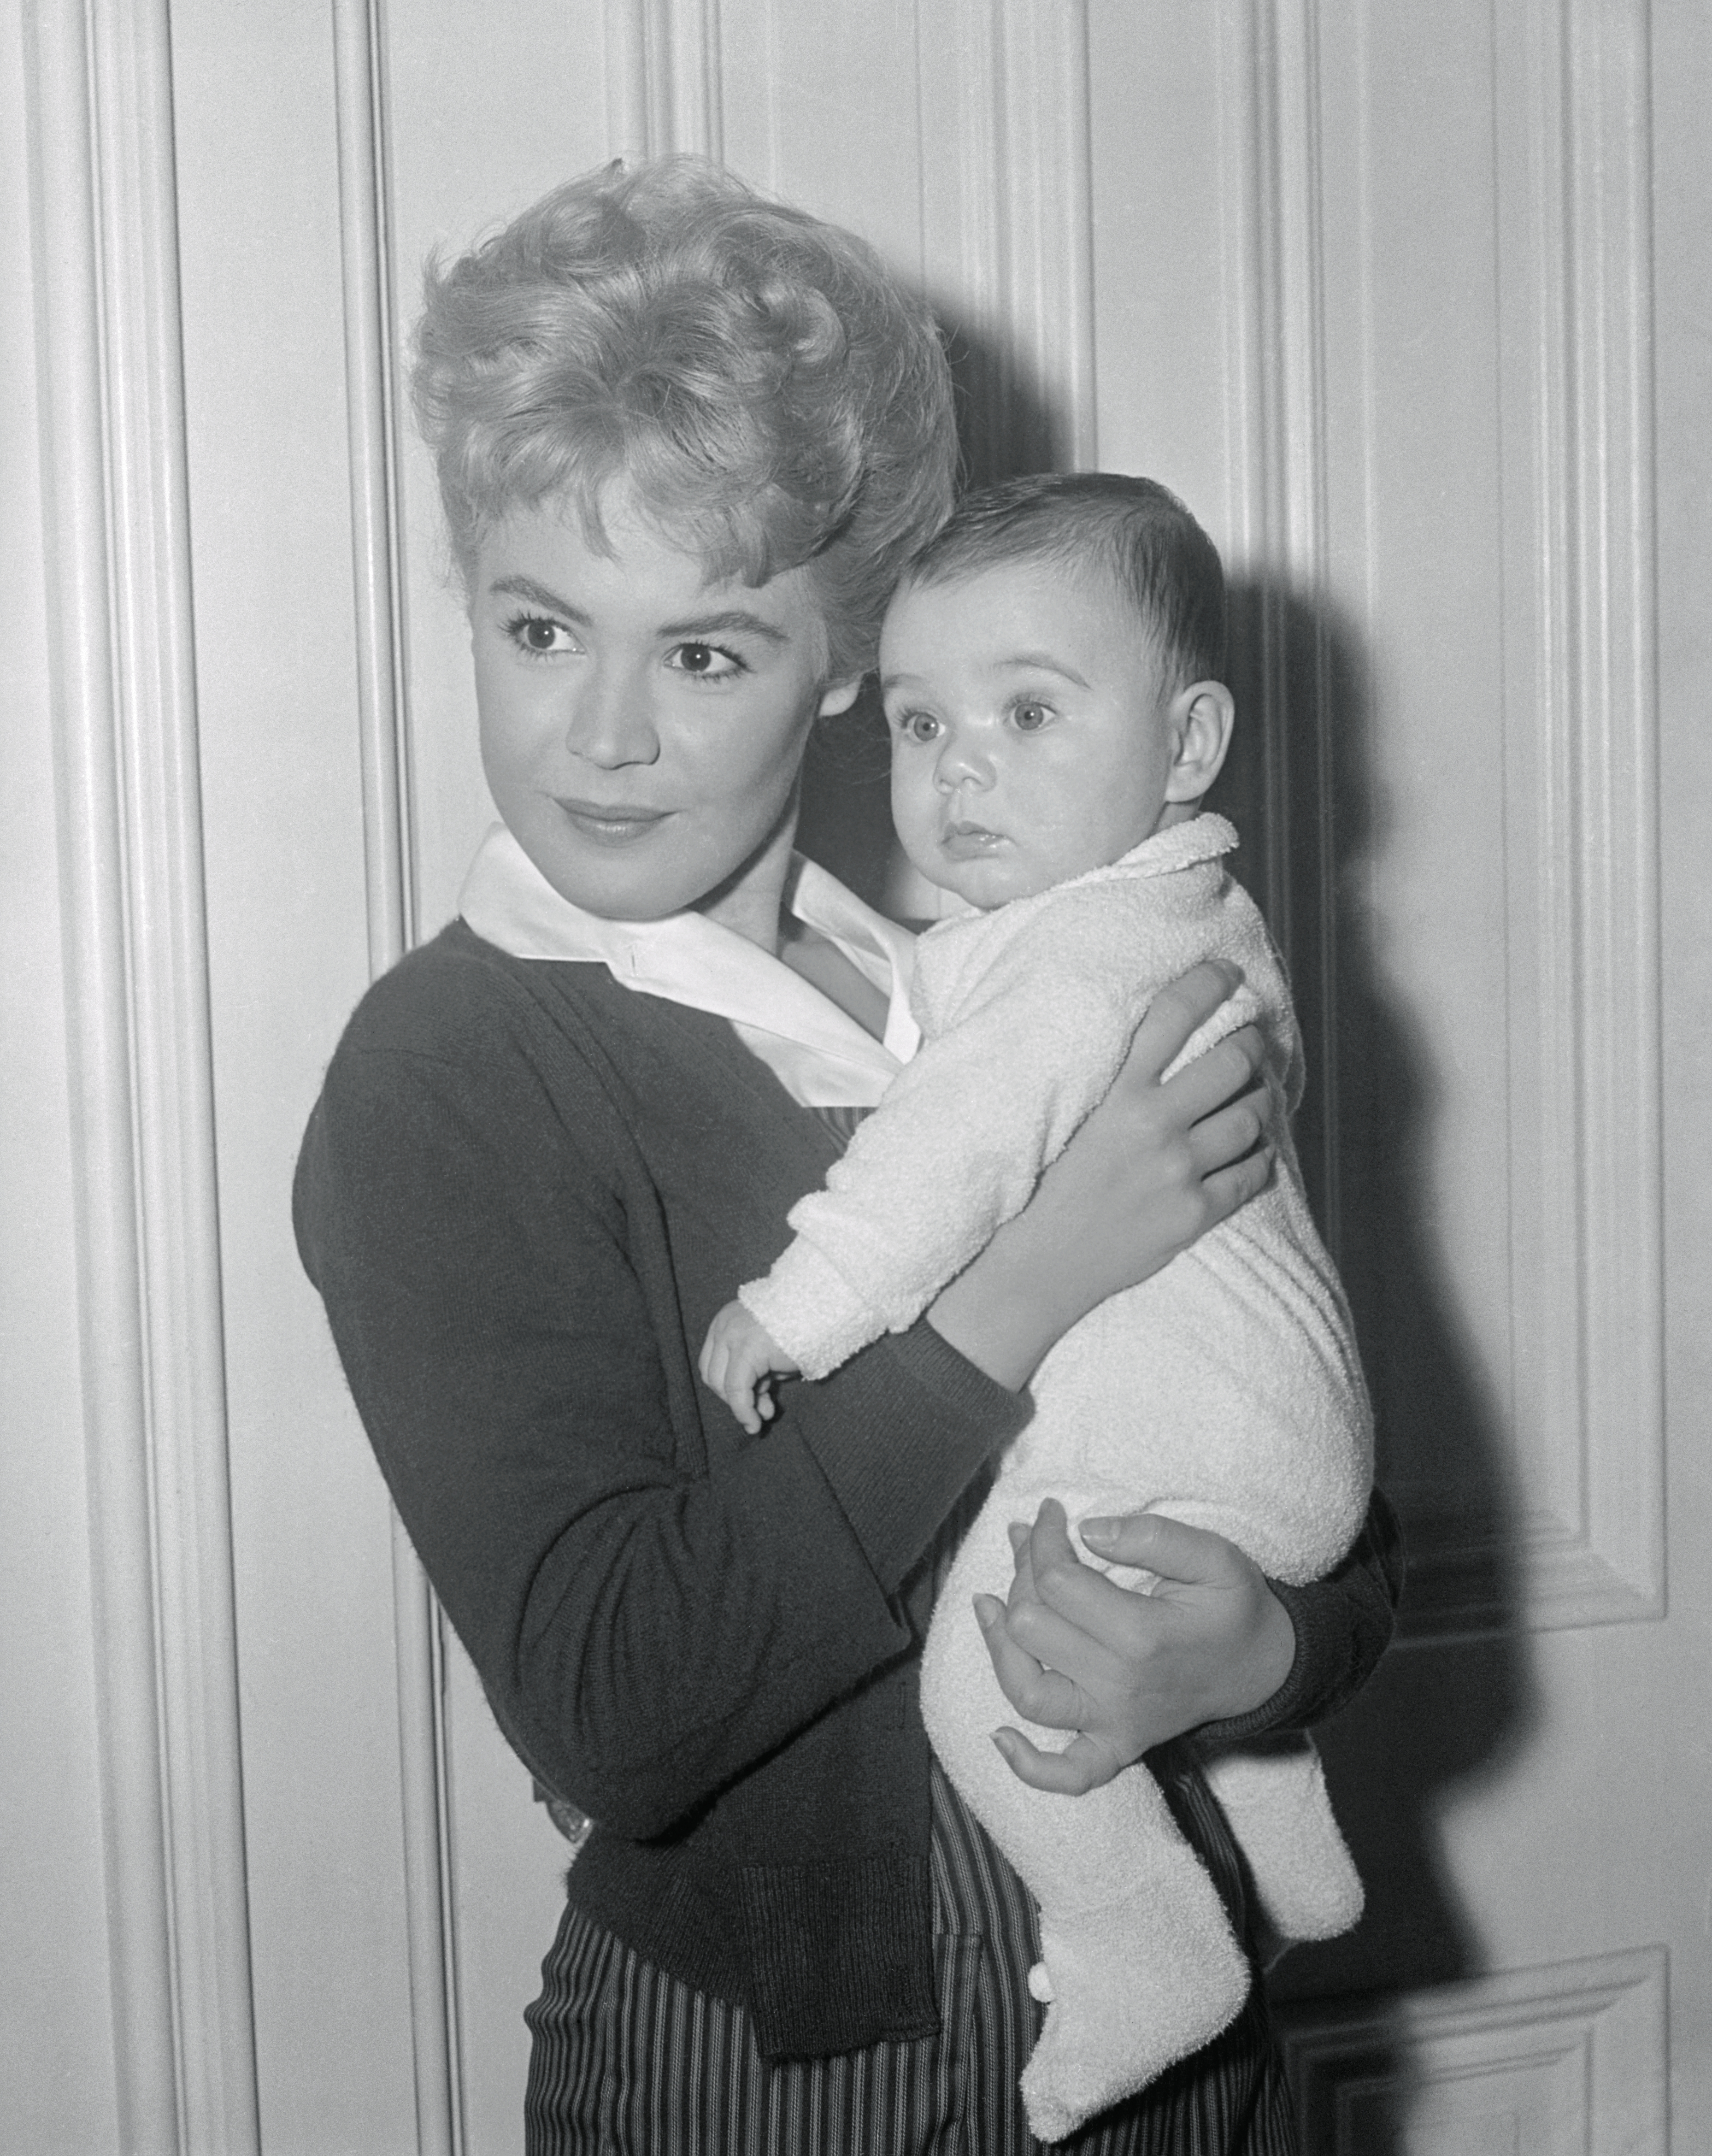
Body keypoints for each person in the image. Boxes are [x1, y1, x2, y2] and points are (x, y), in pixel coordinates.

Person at [292, 155, 1404, 2154]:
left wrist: (1266, 1650)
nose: (605, 732)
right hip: (803, 2062)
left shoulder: (1001, 973)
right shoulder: (449, 1073)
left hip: (1180, 2019)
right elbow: (621, 1709)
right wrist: (1016, 1290)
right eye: (545, 626)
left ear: (843, 657)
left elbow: (1296, 1437)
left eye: (707, 650)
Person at [700, 473, 1373, 2141]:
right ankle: (1281, 1822)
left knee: (986, 1677)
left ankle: (1145, 1937)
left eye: (1026, 710)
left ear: (1191, 741)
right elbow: (969, 1009)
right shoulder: (1168, 910)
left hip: (1195, 1416)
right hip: (1277, 1432)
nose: (959, 766)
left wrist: (801, 1302)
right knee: (1136, 1602)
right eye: (919, 724)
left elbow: (955, 1149)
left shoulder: (1080, 962)